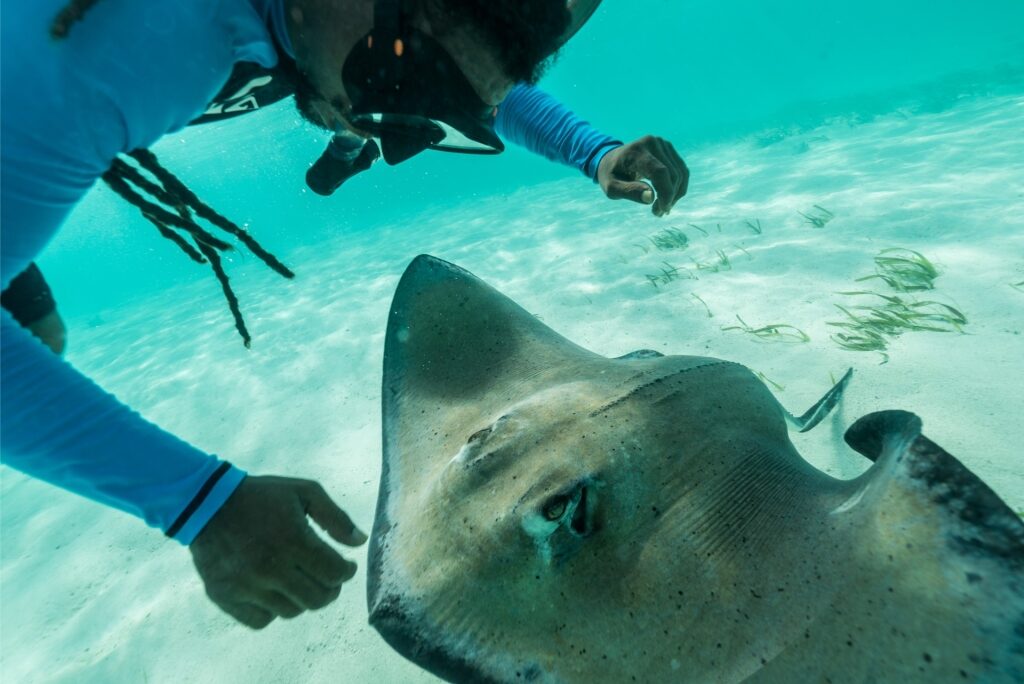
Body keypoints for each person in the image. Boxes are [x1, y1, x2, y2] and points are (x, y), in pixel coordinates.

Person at [1, 0, 688, 630]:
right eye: (399, 74)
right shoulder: (134, 42)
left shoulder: (325, 28)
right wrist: (199, 503)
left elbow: (467, 66)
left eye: (429, 105)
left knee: (37, 330)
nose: (394, 126)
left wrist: (590, 151)